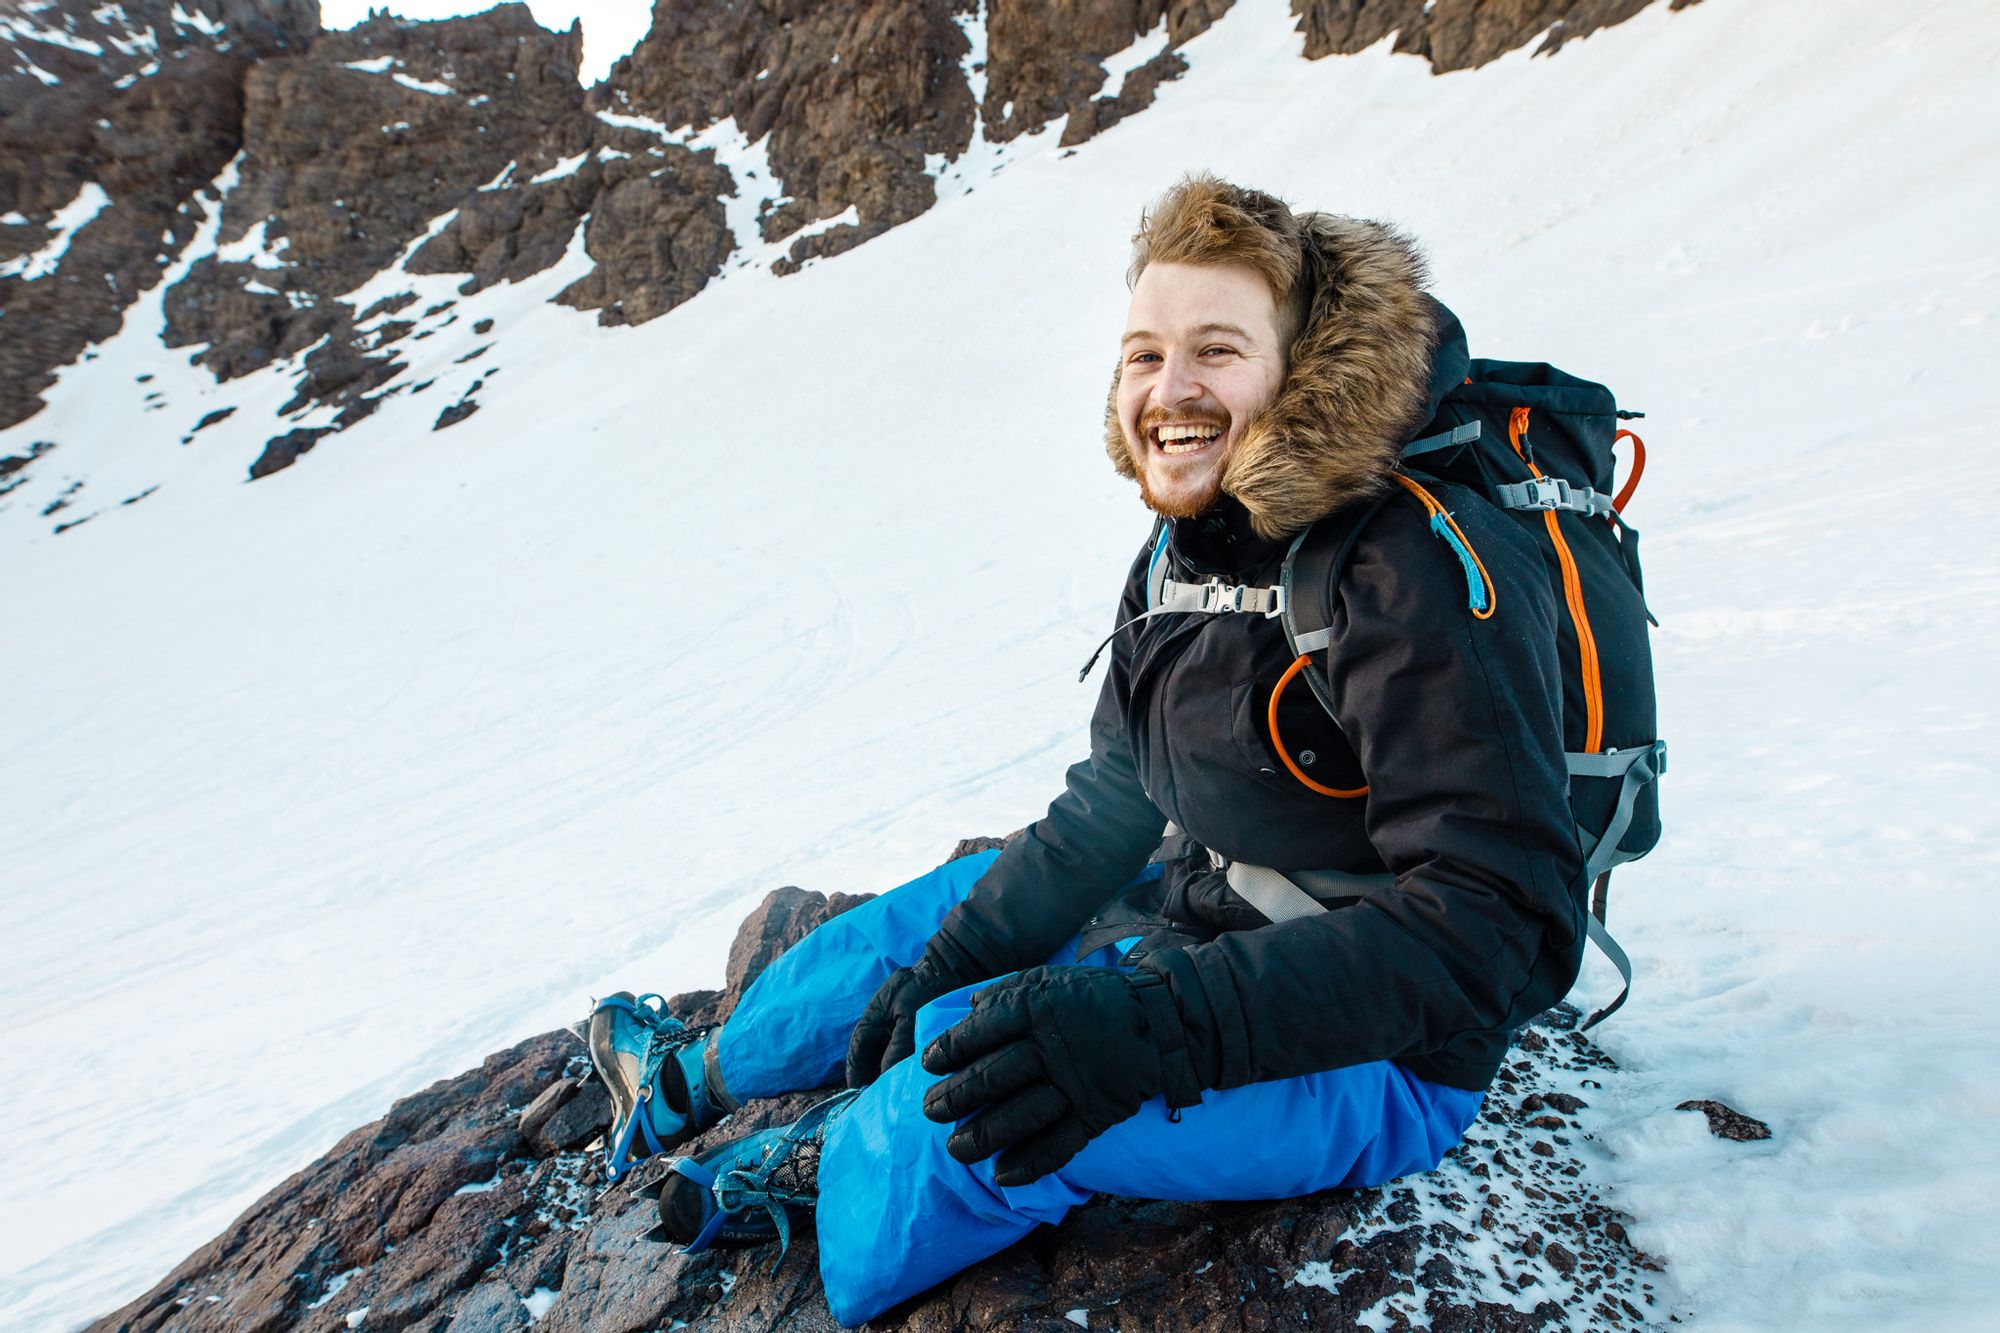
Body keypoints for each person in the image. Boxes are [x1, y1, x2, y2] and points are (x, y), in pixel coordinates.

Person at [579, 174, 1587, 1326]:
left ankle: (824, 1178)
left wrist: (1160, 1030)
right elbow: (1110, 802)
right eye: (1143, 353)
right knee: (949, 917)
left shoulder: (1409, 568)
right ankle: (680, 1081)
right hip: (1212, 914)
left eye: (1217, 348)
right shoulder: (1190, 543)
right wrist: (950, 958)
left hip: (1384, 1058)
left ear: (1302, 370)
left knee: (984, 1091)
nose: (1170, 389)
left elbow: (1499, 926)